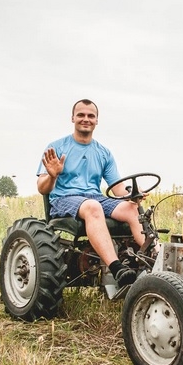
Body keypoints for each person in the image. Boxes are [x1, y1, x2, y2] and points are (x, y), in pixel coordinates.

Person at [37, 99, 143, 287]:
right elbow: (42, 188)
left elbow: (117, 188)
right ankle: (117, 268)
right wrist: (52, 176)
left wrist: (132, 192)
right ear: (73, 118)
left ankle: (155, 262)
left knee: (131, 207)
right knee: (93, 207)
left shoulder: (103, 152)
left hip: (94, 197)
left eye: (90, 116)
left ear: (96, 120)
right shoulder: (57, 148)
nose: (86, 119)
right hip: (64, 198)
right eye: (81, 115)